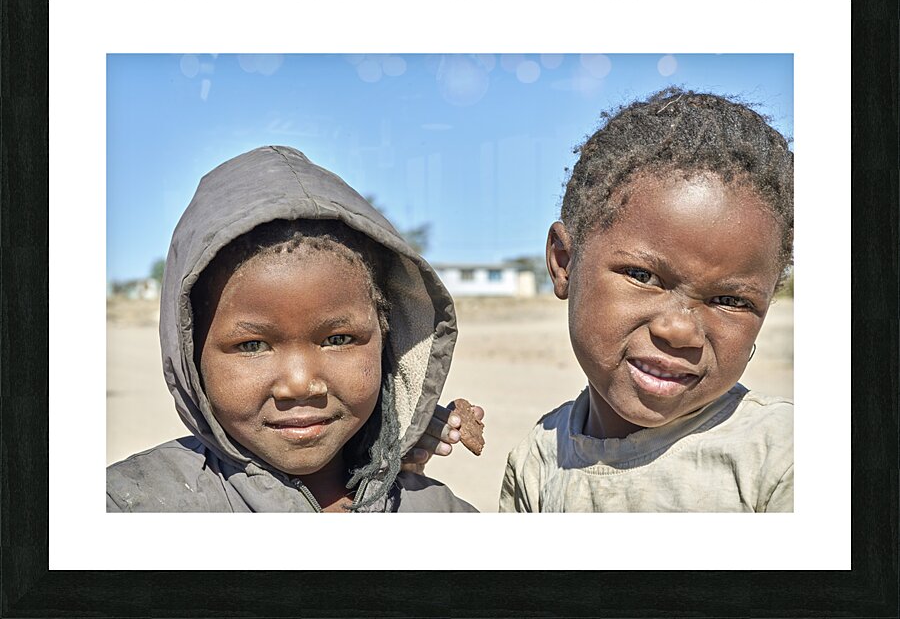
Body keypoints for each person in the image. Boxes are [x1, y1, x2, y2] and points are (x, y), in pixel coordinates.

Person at [107, 145, 479, 512]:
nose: (301, 384)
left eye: (338, 339)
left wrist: (390, 445)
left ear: (388, 342)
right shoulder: (129, 507)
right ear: (190, 356)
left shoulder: (442, 513)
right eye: (252, 345)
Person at [500, 89, 794, 512]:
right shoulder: (538, 461)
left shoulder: (781, 458)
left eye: (730, 299)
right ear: (564, 263)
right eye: (643, 276)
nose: (679, 331)